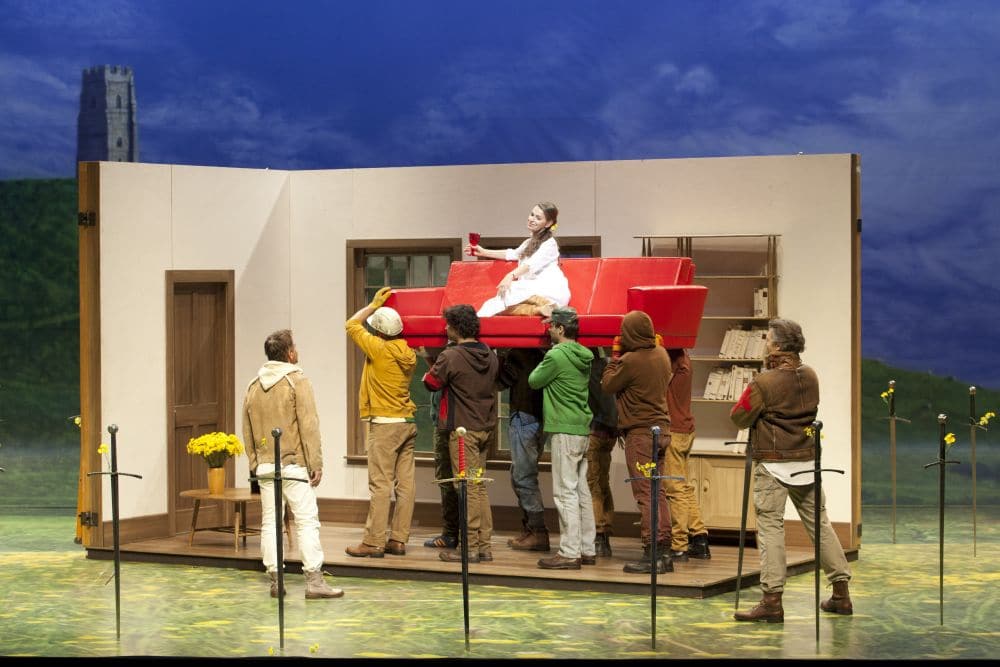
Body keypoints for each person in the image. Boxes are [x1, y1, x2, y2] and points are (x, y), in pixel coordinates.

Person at [730, 317, 853, 623]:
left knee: (771, 528)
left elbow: (739, 416)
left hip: (773, 463)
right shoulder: (810, 375)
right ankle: (841, 594)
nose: (765, 344)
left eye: (768, 340)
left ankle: (772, 601)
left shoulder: (764, 383)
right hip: (807, 462)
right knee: (820, 525)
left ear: (777, 346)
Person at [243, 329, 344, 599]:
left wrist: (255, 463)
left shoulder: (253, 386)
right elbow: (309, 424)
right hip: (294, 464)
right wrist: (315, 462)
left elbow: (247, 430)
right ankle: (314, 581)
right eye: (295, 347)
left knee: (270, 522)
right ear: (289, 353)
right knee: (307, 521)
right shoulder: (297, 381)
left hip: (265, 465)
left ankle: (276, 581)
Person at [422, 304, 500, 563]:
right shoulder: (489, 353)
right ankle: (484, 546)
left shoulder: (451, 356)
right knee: (478, 486)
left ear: (456, 327)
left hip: (463, 432)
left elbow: (431, 383)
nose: (445, 328)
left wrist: (428, 360)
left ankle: (469, 548)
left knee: (467, 488)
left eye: (448, 324)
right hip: (485, 428)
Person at [344, 287, 418, 559]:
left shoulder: (379, 348)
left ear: (378, 331)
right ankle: (398, 540)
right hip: (407, 421)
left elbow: (351, 324)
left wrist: (373, 306)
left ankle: (374, 542)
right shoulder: (408, 352)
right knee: (405, 485)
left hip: (385, 424)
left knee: (380, 484)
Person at [600, 310, 674, 574]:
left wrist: (614, 357)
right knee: (658, 491)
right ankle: (664, 552)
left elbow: (608, 384)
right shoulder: (662, 354)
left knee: (645, 493)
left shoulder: (630, 361)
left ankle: (651, 552)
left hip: (641, 435)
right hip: (662, 431)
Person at [528, 307, 596, 570]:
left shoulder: (556, 355)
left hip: (564, 429)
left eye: (552, 325)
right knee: (581, 491)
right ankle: (587, 549)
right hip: (581, 427)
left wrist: (547, 354)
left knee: (564, 492)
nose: (548, 329)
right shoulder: (584, 354)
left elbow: (534, 380)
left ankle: (569, 552)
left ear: (561, 328)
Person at [466, 202, 570, 318]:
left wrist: (510, 276)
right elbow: (513, 254)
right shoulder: (528, 242)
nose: (532, 219)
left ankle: (546, 305)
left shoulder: (550, 244)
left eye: (538, 218)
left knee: (508, 292)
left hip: (549, 289)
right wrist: (483, 252)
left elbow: (531, 264)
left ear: (548, 223)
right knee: (499, 306)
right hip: (532, 290)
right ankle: (540, 309)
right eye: (532, 214)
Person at [497, 347, 551, 551]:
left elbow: (500, 382)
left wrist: (499, 357)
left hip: (524, 414)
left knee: (523, 476)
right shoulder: (546, 352)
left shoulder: (518, 353)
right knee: (521, 475)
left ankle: (537, 531)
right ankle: (532, 529)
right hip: (541, 416)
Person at [663, 347, 711, 561]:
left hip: (674, 430)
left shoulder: (671, 357)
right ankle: (699, 537)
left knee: (675, 489)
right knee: (682, 486)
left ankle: (679, 545)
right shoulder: (683, 356)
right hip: (684, 428)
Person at [587, 350, 619, 558]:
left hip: (594, 430)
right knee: (603, 482)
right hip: (611, 431)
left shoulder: (588, 370)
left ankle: (597, 535)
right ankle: (605, 530)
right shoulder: (609, 366)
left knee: (593, 485)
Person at [422, 387, 461, 550]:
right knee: (468, 483)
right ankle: (467, 537)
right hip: (460, 422)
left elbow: (433, 381)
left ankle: (452, 534)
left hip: (449, 423)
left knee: (449, 479)